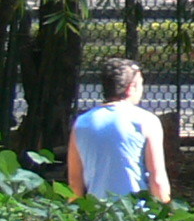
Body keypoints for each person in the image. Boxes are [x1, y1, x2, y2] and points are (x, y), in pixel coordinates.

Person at [67, 58, 170, 203]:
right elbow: (157, 179)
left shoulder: (82, 123)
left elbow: (75, 180)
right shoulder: (147, 121)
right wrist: (167, 214)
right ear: (131, 88)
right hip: (137, 218)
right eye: (141, 84)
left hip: (97, 216)